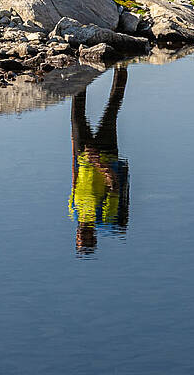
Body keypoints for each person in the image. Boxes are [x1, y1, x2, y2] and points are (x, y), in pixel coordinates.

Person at [70, 66, 130, 256]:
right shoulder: (105, 216)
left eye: (80, 238)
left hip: (83, 155)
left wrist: (74, 144)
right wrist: (97, 161)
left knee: (76, 111)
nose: (82, 235)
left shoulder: (74, 213)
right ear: (94, 236)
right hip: (105, 154)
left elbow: (74, 180)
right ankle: (122, 66)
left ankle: (82, 67)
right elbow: (114, 185)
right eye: (86, 239)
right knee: (112, 107)